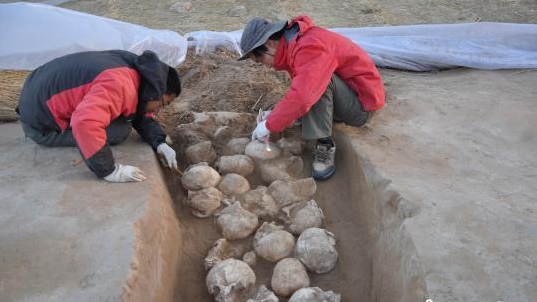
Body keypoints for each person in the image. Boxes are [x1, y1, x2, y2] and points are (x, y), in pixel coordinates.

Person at [240, 15, 385, 180]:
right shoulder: (294, 46)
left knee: (316, 85)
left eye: (259, 59)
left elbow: (303, 95)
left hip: (361, 106)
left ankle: (325, 144)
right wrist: (273, 116)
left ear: (270, 44)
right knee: (308, 85)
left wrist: (270, 124)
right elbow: (299, 89)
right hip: (347, 95)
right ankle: (310, 123)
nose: (264, 65)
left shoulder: (310, 46)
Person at [16, 50, 181, 182]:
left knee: (120, 115)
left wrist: (159, 142)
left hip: (36, 94)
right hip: (40, 126)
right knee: (120, 130)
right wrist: (110, 171)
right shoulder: (119, 84)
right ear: (155, 92)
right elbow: (84, 122)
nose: (159, 109)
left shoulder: (135, 68)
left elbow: (139, 107)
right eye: (163, 103)